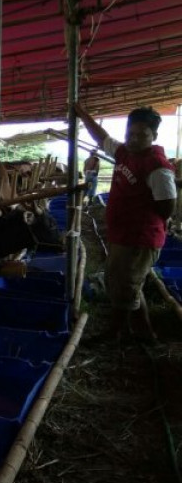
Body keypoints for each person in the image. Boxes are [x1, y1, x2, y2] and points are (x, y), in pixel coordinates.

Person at [75, 103, 177, 346]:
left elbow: (167, 206)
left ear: (154, 136)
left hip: (139, 238)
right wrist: (82, 114)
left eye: (141, 135)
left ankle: (116, 333)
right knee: (127, 284)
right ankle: (145, 333)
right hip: (124, 235)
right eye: (130, 133)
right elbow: (102, 137)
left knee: (124, 285)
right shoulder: (124, 153)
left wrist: (140, 219)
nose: (134, 139)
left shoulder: (157, 166)